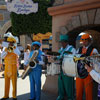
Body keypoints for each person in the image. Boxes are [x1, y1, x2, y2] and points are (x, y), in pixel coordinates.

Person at [76, 33, 98, 100]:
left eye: (86, 40)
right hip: (79, 73)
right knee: (78, 92)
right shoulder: (79, 49)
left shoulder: (94, 50)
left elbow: (96, 63)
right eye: (83, 40)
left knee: (89, 92)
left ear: (89, 41)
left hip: (88, 74)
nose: (84, 41)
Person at [56, 34, 76, 100]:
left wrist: (65, 59)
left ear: (67, 42)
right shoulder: (60, 50)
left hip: (68, 71)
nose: (62, 44)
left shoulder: (72, 49)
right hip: (61, 70)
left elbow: (74, 59)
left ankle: (70, 98)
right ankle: (61, 96)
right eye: (61, 42)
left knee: (68, 86)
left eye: (63, 42)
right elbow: (57, 57)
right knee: (61, 85)